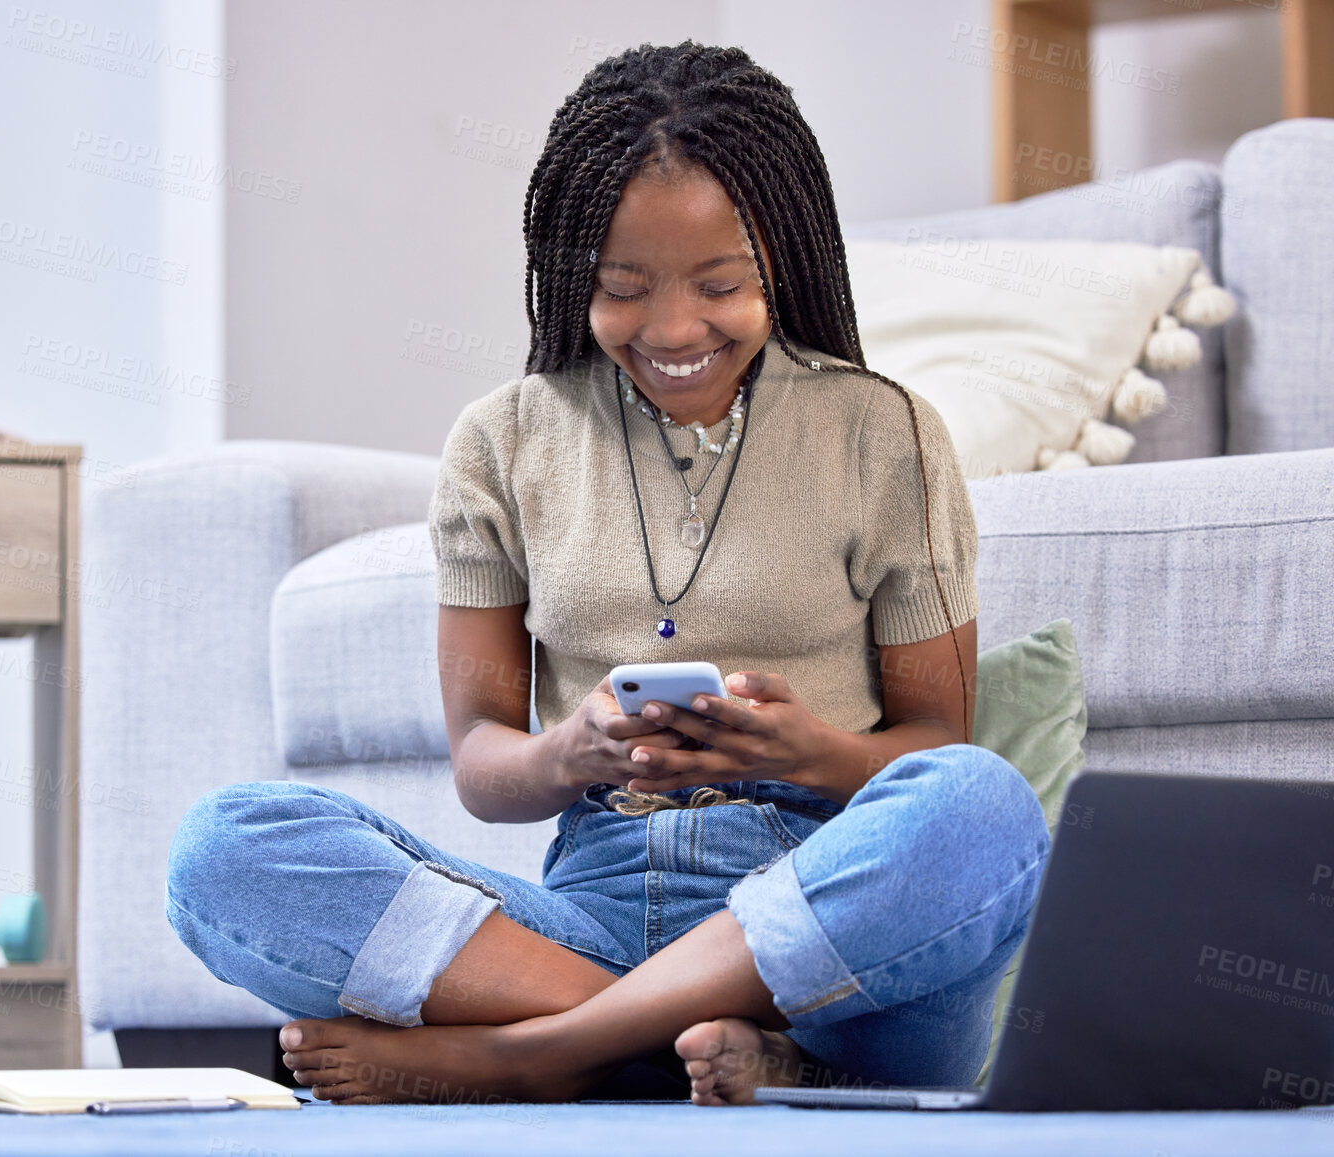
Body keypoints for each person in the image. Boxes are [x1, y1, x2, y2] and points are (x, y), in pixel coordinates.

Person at [166, 40, 1049, 1107]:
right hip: (587, 902)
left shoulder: (886, 433)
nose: (674, 330)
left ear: (785, 256)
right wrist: (570, 749)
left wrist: (806, 749)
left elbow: (934, 747)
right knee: (223, 850)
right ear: (569, 270)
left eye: (721, 285)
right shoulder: (501, 441)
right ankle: (683, 1049)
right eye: (623, 290)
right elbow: (485, 768)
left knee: (984, 804)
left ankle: (542, 1051)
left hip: (825, 945)